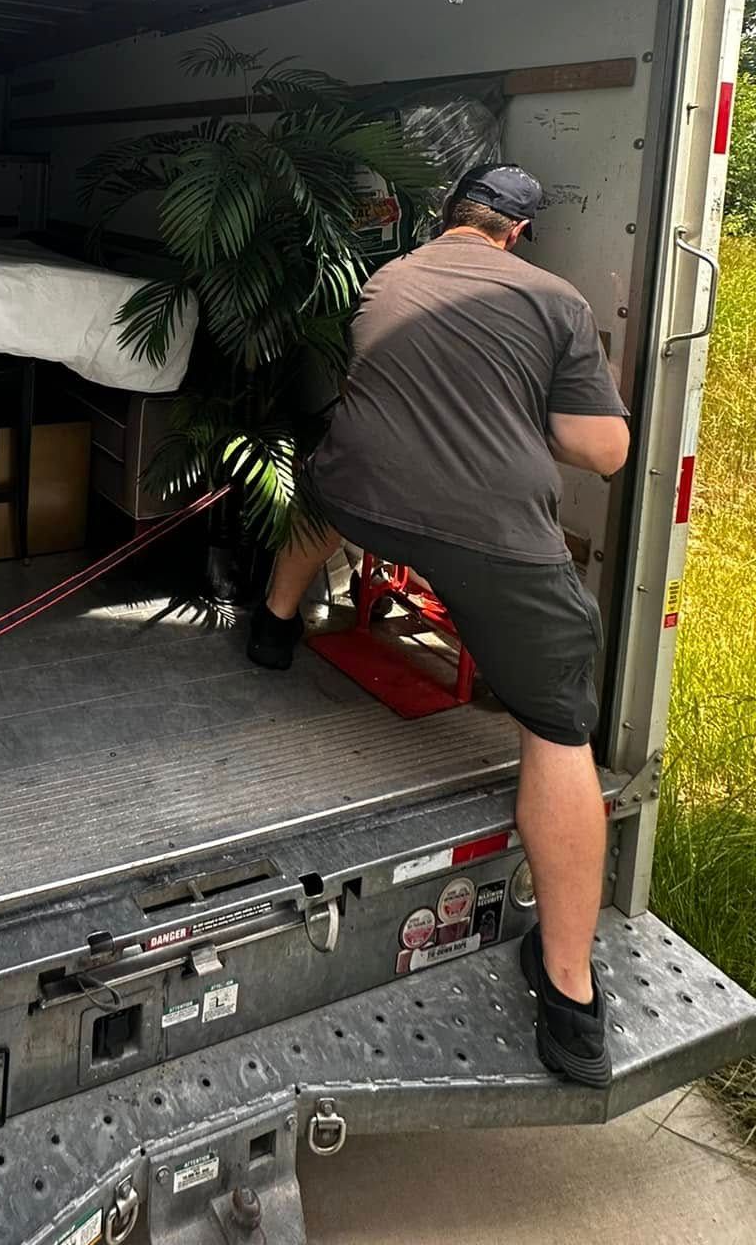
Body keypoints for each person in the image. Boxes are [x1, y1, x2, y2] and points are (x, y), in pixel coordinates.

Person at [247, 165, 629, 1087]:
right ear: (519, 234)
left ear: (450, 218)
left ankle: (271, 623)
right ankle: (570, 995)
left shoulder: (391, 276)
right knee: (558, 727)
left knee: (325, 491)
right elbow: (604, 453)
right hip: (488, 533)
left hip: (362, 493)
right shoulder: (557, 300)